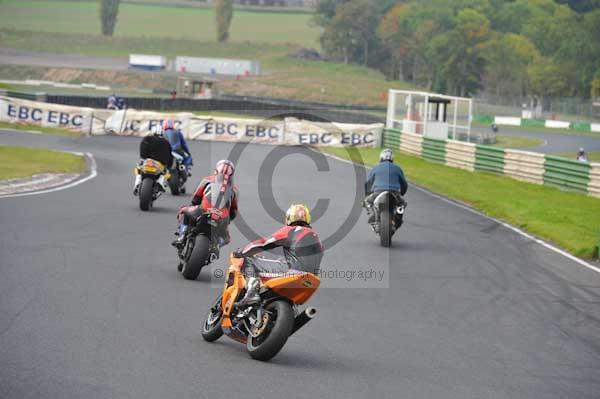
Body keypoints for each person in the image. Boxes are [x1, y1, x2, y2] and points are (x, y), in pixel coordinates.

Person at [233, 204, 324, 306]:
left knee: (248, 260)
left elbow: (264, 243)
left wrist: (241, 251)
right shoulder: (318, 239)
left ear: (289, 218)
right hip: (312, 281)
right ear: (307, 219)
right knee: (282, 262)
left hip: (293, 273)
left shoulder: (293, 229)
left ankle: (252, 293)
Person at [172, 160, 238, 248]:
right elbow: (234, 211)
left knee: (184, 211)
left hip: (203, 210)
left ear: (216, 171)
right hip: (222, 218)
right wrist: (227, 220)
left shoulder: (207, 180)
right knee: (227, 238)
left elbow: (195, 198)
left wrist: (194, 204)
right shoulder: (234, 190)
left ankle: (182, 236)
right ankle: (217, 246)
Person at [363, 149, 408, 224]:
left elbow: (368, 183)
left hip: (378, 192)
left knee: (367, 201)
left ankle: (373, 214)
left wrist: (367, 193)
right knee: (402, 204)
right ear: (392, 159)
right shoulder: (398, 168)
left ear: (381, 158)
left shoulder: (376, 168)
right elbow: (404, 184)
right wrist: (401, 193)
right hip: (394, 193)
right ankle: (398, 218)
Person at [134, 125, 173, 195]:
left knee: (138, 169)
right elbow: (169, 156)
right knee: (166, 172)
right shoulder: (166, 142)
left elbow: (142, 151)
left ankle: (137, 183)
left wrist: (143, 158)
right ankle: (161, 184)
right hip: (159, 164)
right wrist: (168, 165)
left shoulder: (147, 139)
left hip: (147, 162)